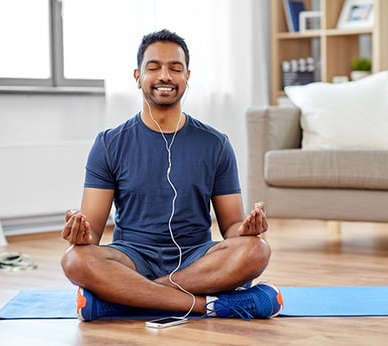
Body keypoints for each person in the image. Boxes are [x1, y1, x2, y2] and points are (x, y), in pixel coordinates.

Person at [61, 29, 283, 321]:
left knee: (256, 251)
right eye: (153, 68)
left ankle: (126, 299)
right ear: (137, 76)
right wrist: (80, 233)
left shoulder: (215, 143)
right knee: (75, 259)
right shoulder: (109, 143)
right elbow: (93, 234)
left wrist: (246, 231)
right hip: (132, 257)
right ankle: (213, 305)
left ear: (187, 77)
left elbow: (231, 226)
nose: (164, 75)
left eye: (175, 68)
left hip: (196, 258)